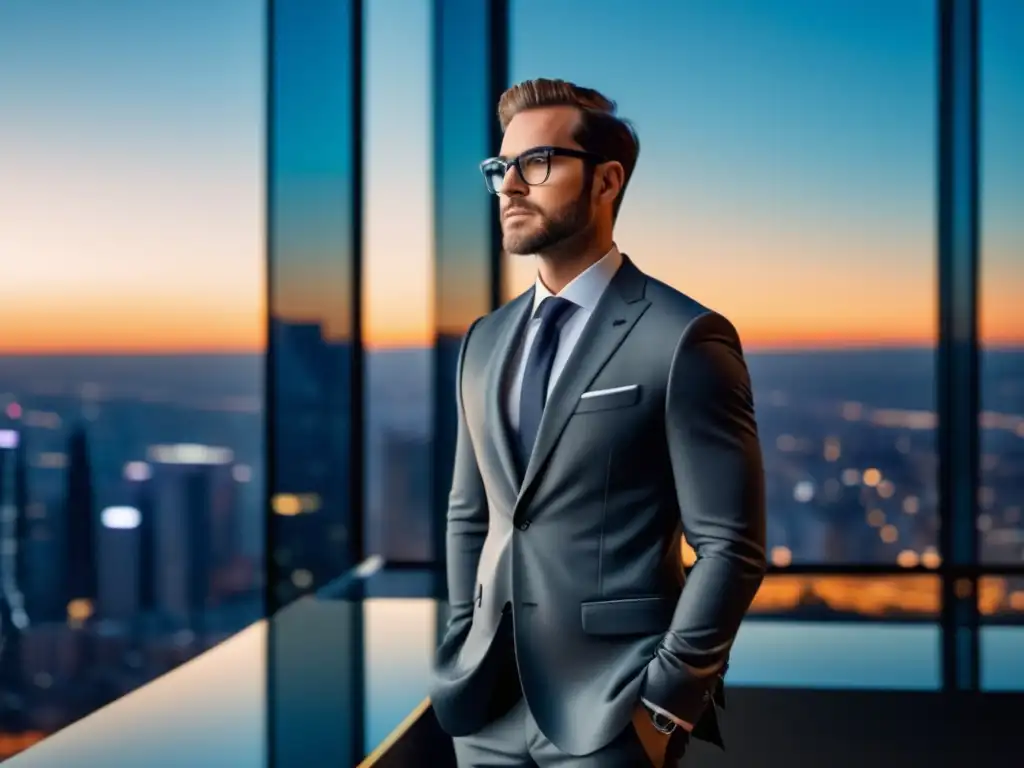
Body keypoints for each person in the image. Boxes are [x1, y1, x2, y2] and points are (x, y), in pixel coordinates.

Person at [429, 77, 767, 767]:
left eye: (536, 163)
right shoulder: (484, 340)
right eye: (500, 167)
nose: (508, 187)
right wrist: (463, 634)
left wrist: (665, 706)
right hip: (485, 705)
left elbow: (732, 547)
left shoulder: (682, 337)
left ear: (607, 181)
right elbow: (473, 515)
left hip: (613, 711)